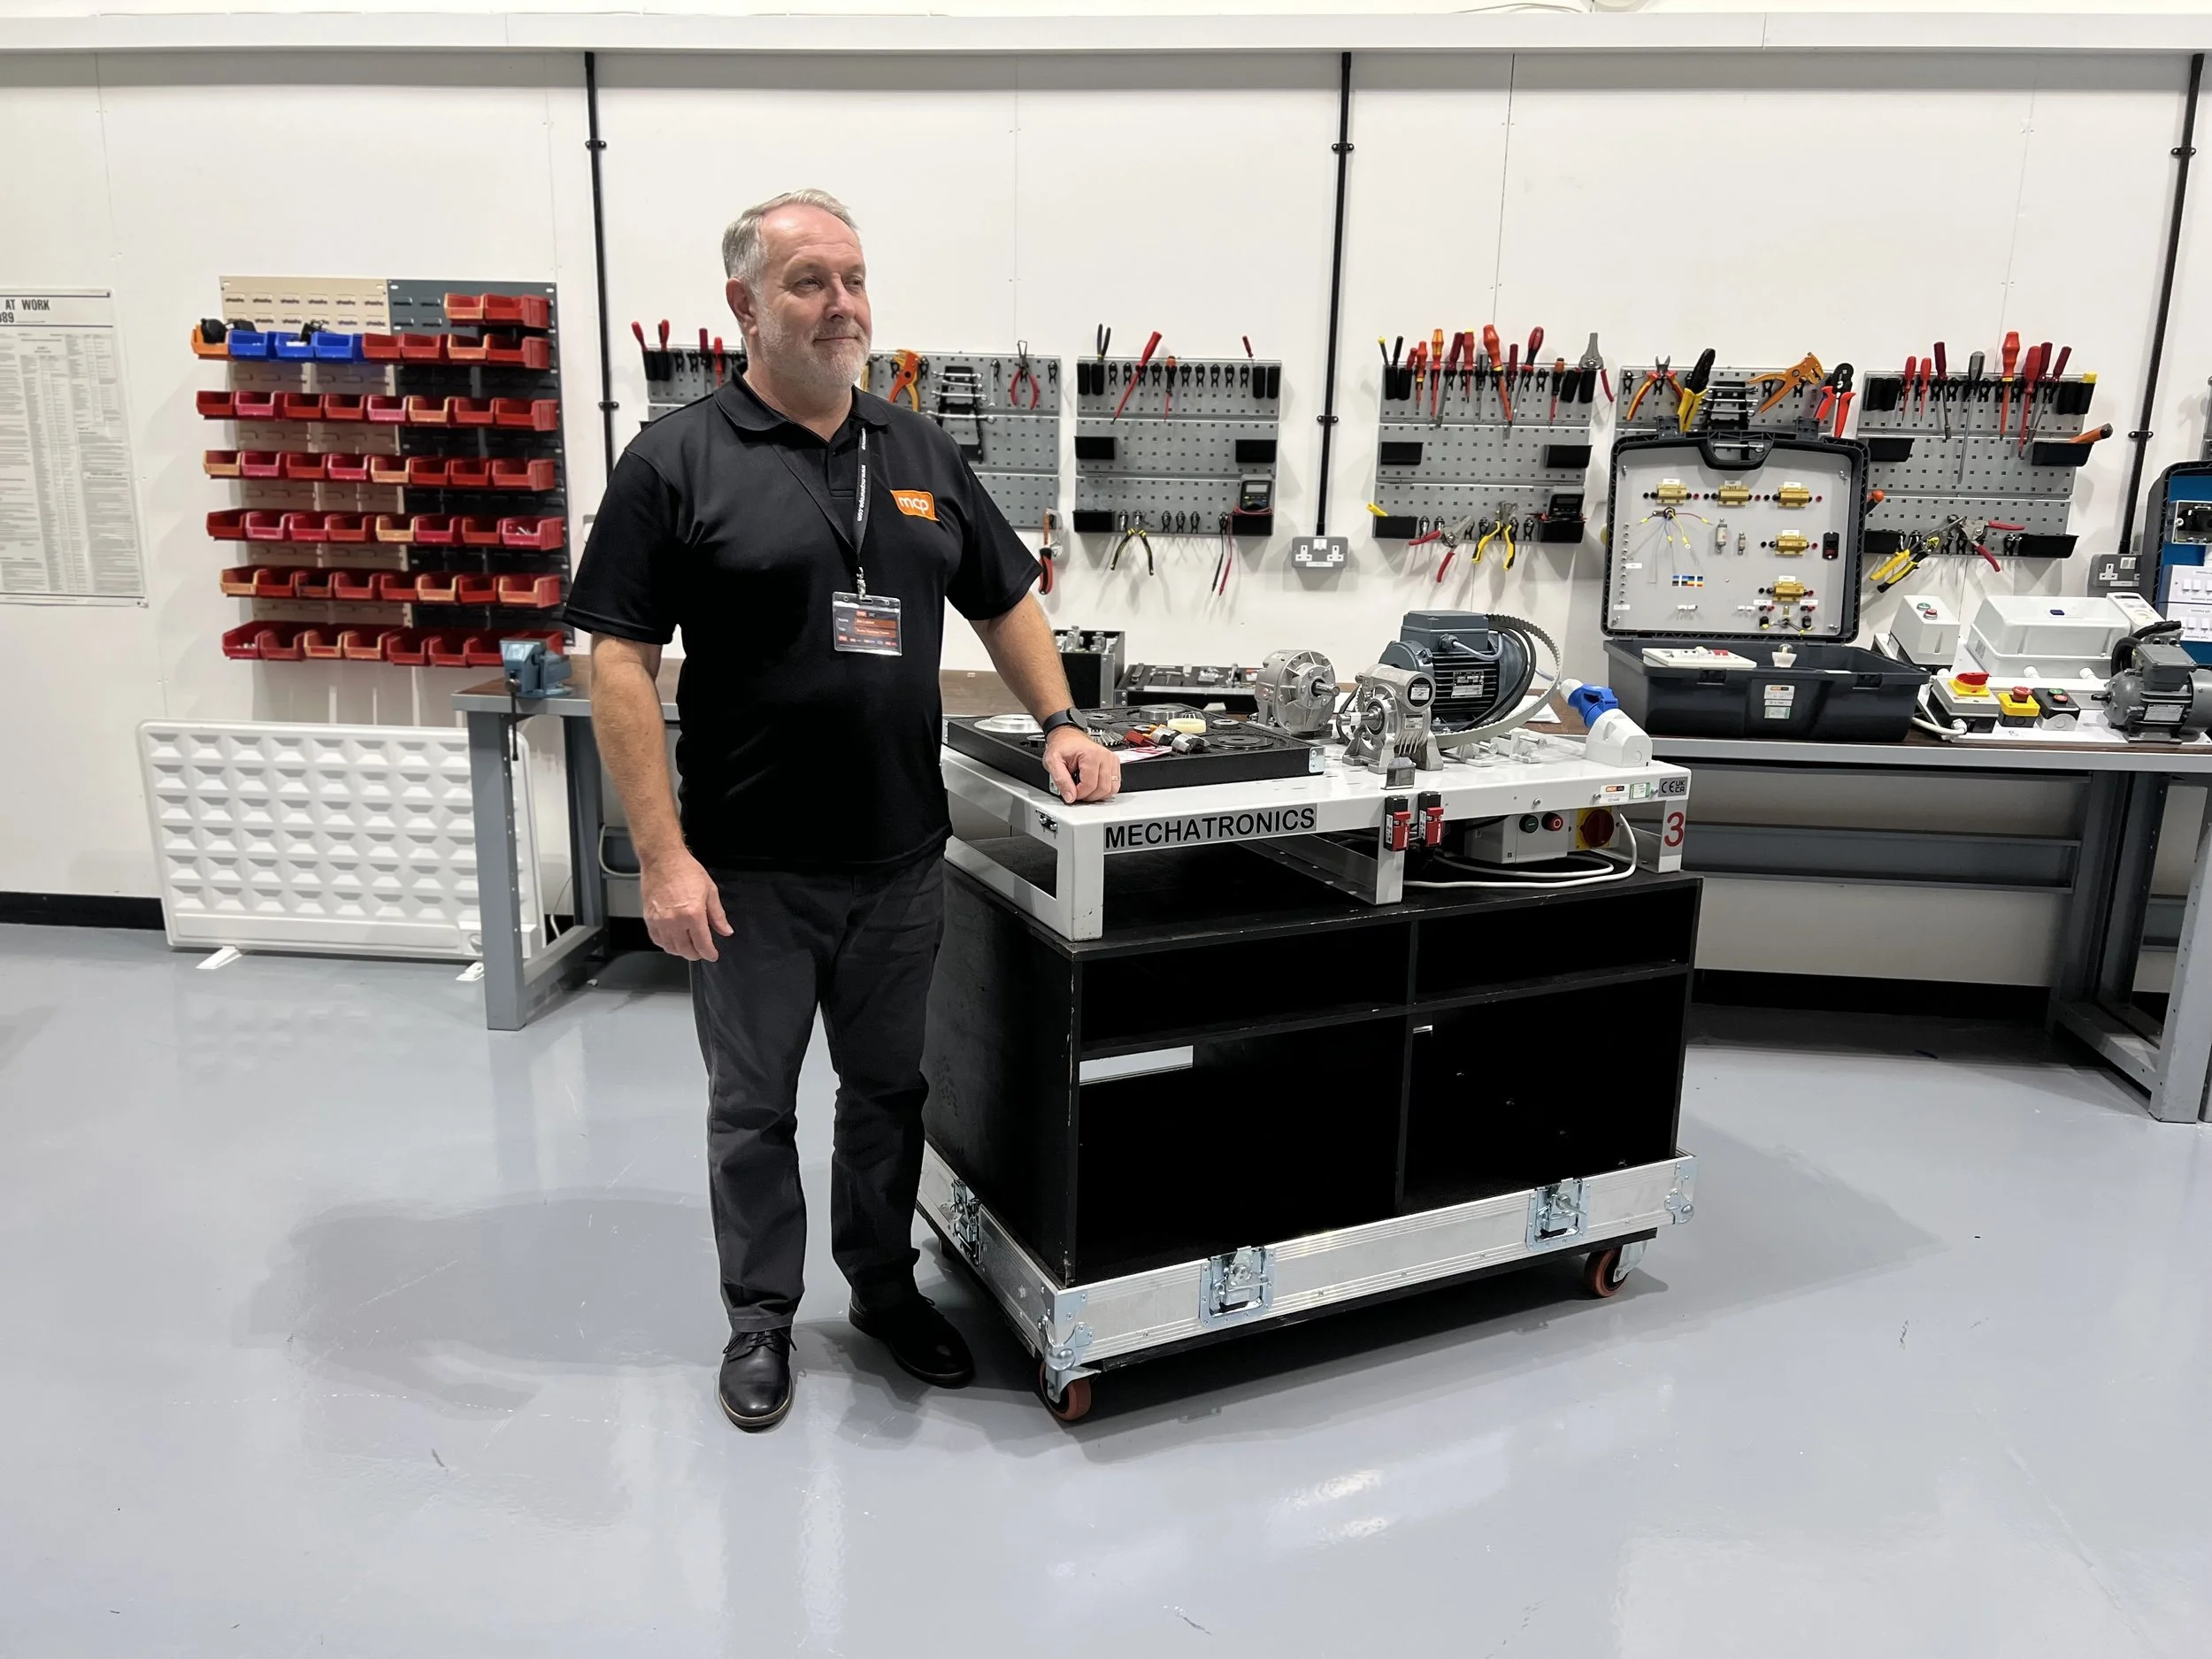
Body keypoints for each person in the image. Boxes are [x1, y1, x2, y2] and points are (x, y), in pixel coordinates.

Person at [565, 189, 1122, 1432]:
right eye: (810, 280)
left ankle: (879, 1286)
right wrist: (662, 859)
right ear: (745, 306)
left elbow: (1007, 596)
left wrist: (1063, 721)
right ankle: (760, 1318)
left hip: (899, 866)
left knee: (888, 1095)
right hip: (749, 875)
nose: (843, 304)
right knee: (753, 1106)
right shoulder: (676, 459)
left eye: (855, 278)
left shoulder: (916, 453)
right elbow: (612, 662)